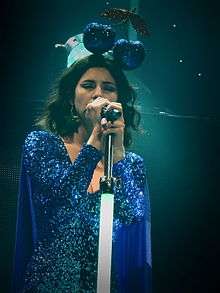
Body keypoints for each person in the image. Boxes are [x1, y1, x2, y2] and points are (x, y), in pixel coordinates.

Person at [12, 51, 151, 292]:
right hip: (50, 282)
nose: (98, 94)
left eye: (108, 88)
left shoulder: (131, 163)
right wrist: (94, 142)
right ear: (70, 96)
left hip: (104, 283)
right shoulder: (42, 144)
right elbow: (61, 202)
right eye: (88, 85)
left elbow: (133, 216)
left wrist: (117, 155)